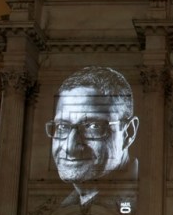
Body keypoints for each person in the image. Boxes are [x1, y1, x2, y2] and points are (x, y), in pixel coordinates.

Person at [46, 66, 139, 207]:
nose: (70, 147)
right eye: (62, 127)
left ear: (128, 132)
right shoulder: (63, 208)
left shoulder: (149, 200)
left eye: (93, 126)